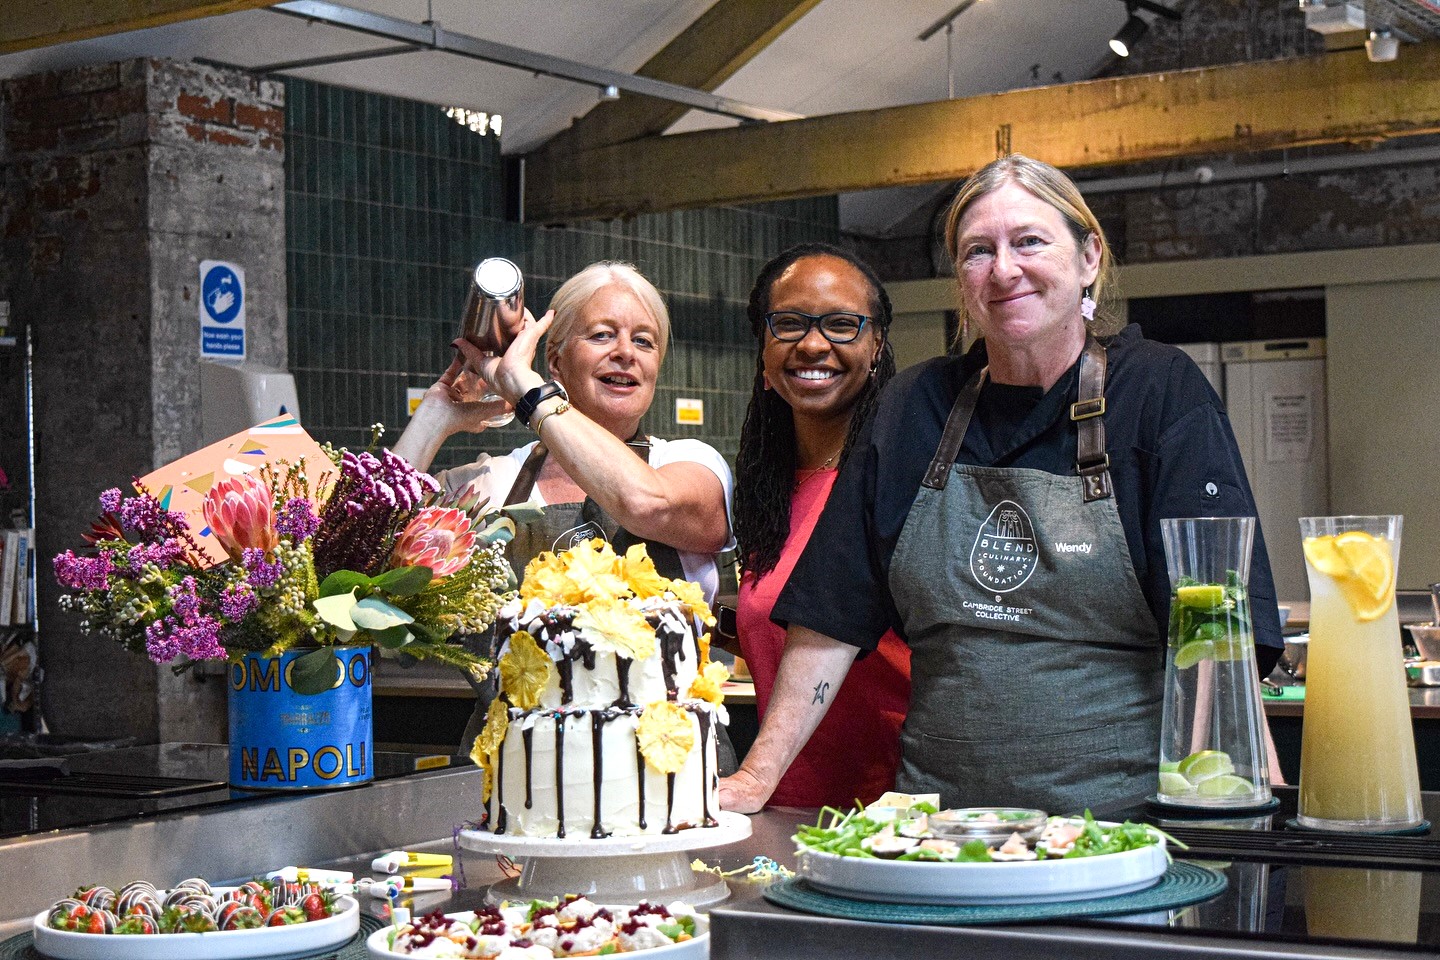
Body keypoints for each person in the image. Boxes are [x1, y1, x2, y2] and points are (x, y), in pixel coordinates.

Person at [720, 155, 1285, 815]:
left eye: (1030, 242)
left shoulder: (1158, 393)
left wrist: (1239, 802)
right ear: (961, 280)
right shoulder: (912, 408)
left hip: (1124, 834)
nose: (1005, 269)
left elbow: (1213, 629)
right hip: (940, 838)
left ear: (1089, 257)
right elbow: (828, 623)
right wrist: (754, 781)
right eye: (978, 252)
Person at [392, 261, 735, 749]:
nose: (625, 354)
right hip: (519, 779)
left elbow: (643, 503)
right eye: (602, 335)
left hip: (670, 771)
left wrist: (529, 391)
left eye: (644, 341)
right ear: (555, 360)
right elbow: (364, 555)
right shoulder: (492, 482)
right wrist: (435, 416)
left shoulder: (688, 465)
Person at [732, 243, 911, 809]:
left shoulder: (907, 482)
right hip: (781, 814)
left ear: (877, 343)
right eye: (788, 324)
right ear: (763, 347)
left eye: (841, 325)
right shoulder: (765, 492)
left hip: (895, 825)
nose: (813, 344)